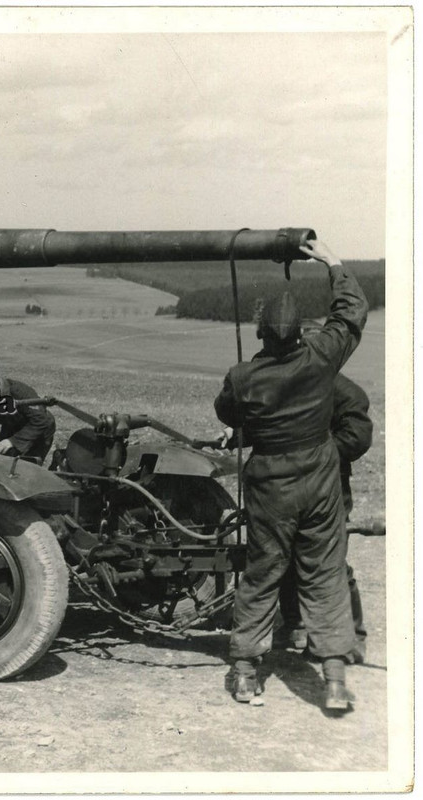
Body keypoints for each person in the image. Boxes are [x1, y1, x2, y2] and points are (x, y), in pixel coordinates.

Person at [213, 238, 367, 711]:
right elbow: (351, 313)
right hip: (320, 480)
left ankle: (245, 674)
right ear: (300, 333)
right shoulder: (321, 358)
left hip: (270, 487)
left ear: (262, 334)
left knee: (262, 572)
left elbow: (227, 413)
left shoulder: (242, 377)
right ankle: (334, 682)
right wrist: (333, 262)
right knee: (325, 573)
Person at [277, 371, 372, 663]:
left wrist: (316, 453)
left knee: (331, 562)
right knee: (286, 555)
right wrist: (234, 434)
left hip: (329, 486)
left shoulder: (344, 391)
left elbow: (357, 437)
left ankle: (353, 637)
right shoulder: (289, 379)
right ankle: (296, 625)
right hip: (288, 484)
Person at [0, 376, 56, 461]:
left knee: (26, 466)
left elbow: (41, 420)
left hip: (36, 430)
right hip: (12, 426)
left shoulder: (19, 392)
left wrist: (12, 441)